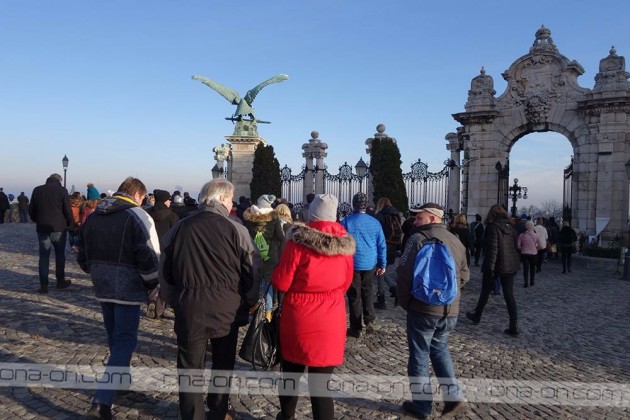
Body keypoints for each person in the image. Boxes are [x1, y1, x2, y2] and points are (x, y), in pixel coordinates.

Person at [159, 179, 261, 420]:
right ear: (223, 199)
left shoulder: (180, 227)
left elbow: (165, 267)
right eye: (231, 198)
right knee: (223, 363)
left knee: (189, 366)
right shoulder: (236, 228)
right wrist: (249, 299)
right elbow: (252, 269)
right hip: (227, 309)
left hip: (190, 305)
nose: (232, 203)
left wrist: (173, 298)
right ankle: (218, 410)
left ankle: (192, 415)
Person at [77, 177, 160, 420]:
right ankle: (102, 400)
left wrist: (91, 270)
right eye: (143, 199)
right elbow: (149, 254)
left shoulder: (94, 215)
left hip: (101, 282)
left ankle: (120, 382)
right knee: (124, 340)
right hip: (128, 286)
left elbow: (82, 250)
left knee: (114, 337)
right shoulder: (137, 216)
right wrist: (154, 284)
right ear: (137, 195)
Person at [272, 194, 355, 420]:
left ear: (312, 214)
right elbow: (347, 282)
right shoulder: (345, 245)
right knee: (321, 386)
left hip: (299, 316)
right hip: (332, 317)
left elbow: (281, 282)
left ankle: (287, 416)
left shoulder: (297, 242)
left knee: (290, 376)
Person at [396, 202, 468, 419]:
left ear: (432, 218)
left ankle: (422, 404)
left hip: (422, 308)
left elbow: (403, 273)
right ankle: (453, 395)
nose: (415, 221)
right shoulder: (456, 241)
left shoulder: (416, 239)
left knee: (419, 355)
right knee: (440, 349)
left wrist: (405, 302)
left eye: (419, 218)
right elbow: (465, 276)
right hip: (449, 309)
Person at [466, 204, 521, 337]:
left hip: (495, 264)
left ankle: (477, 315)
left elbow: (493, 249)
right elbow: (514, 248)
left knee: (485, 292)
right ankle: (514, 325)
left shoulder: (492, 227)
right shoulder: (511, 228)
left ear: (492, 214)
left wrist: (490, 268)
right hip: (509, 265)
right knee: (509, 295)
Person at [341, 192, 387, 338]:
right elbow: (381, 245)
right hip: (370, 262)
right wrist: (382, 263)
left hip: (352, 263)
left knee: (354, 295)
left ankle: (356, 327)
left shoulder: (346, 222)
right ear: (366, 205)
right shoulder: (374, 222)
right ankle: (369, 320)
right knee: (368, 291)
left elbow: (340, 243)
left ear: (353, 205)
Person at [243, 194, 285, 321]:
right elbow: (281, 237)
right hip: (270, 257)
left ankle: (254, 305)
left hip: (253, 255)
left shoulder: (250, 219)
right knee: (268, 283)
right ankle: (267, 311)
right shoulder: (274, 219)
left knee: (254, 281)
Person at [29, 174, 73, 293]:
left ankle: (43, 285)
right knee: (60, 254)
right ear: (59, 180)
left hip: (42, 227)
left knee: (43, 256)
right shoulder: (62, 191)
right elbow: (67, 210)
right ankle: (60, 281)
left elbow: (31, 209)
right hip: (59, 227)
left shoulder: (37, 190)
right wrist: (70, 223)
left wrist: (37, 220)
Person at [145, 189, 179, 319]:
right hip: (165, 251)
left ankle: (151, 299)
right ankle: (159, 309)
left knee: (151, 278)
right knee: (164, 280)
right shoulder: (172, 216)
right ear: (165, 200)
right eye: (169, 199)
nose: (170, 201)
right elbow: (175, 235)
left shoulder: (147, 213)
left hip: (149, 250)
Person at [374, 197, 403, 309]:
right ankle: (394, 289)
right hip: (393, 246)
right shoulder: (396, 215)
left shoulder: (380, 216)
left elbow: (377, 233)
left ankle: (382, 298)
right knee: (383, 271)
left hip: (383, 245)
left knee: (380, 272)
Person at [517, 220, 545, 288]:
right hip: (533, 253)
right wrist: (536, 249)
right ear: (533, 226)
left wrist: (523, 248)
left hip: (524, 253)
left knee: (525, 269)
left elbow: (518, 246)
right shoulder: (536, 235)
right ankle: (532, 281)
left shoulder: (522, 235)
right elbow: (541, 246)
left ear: (526, 226)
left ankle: (526, 282)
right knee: (532, 268)